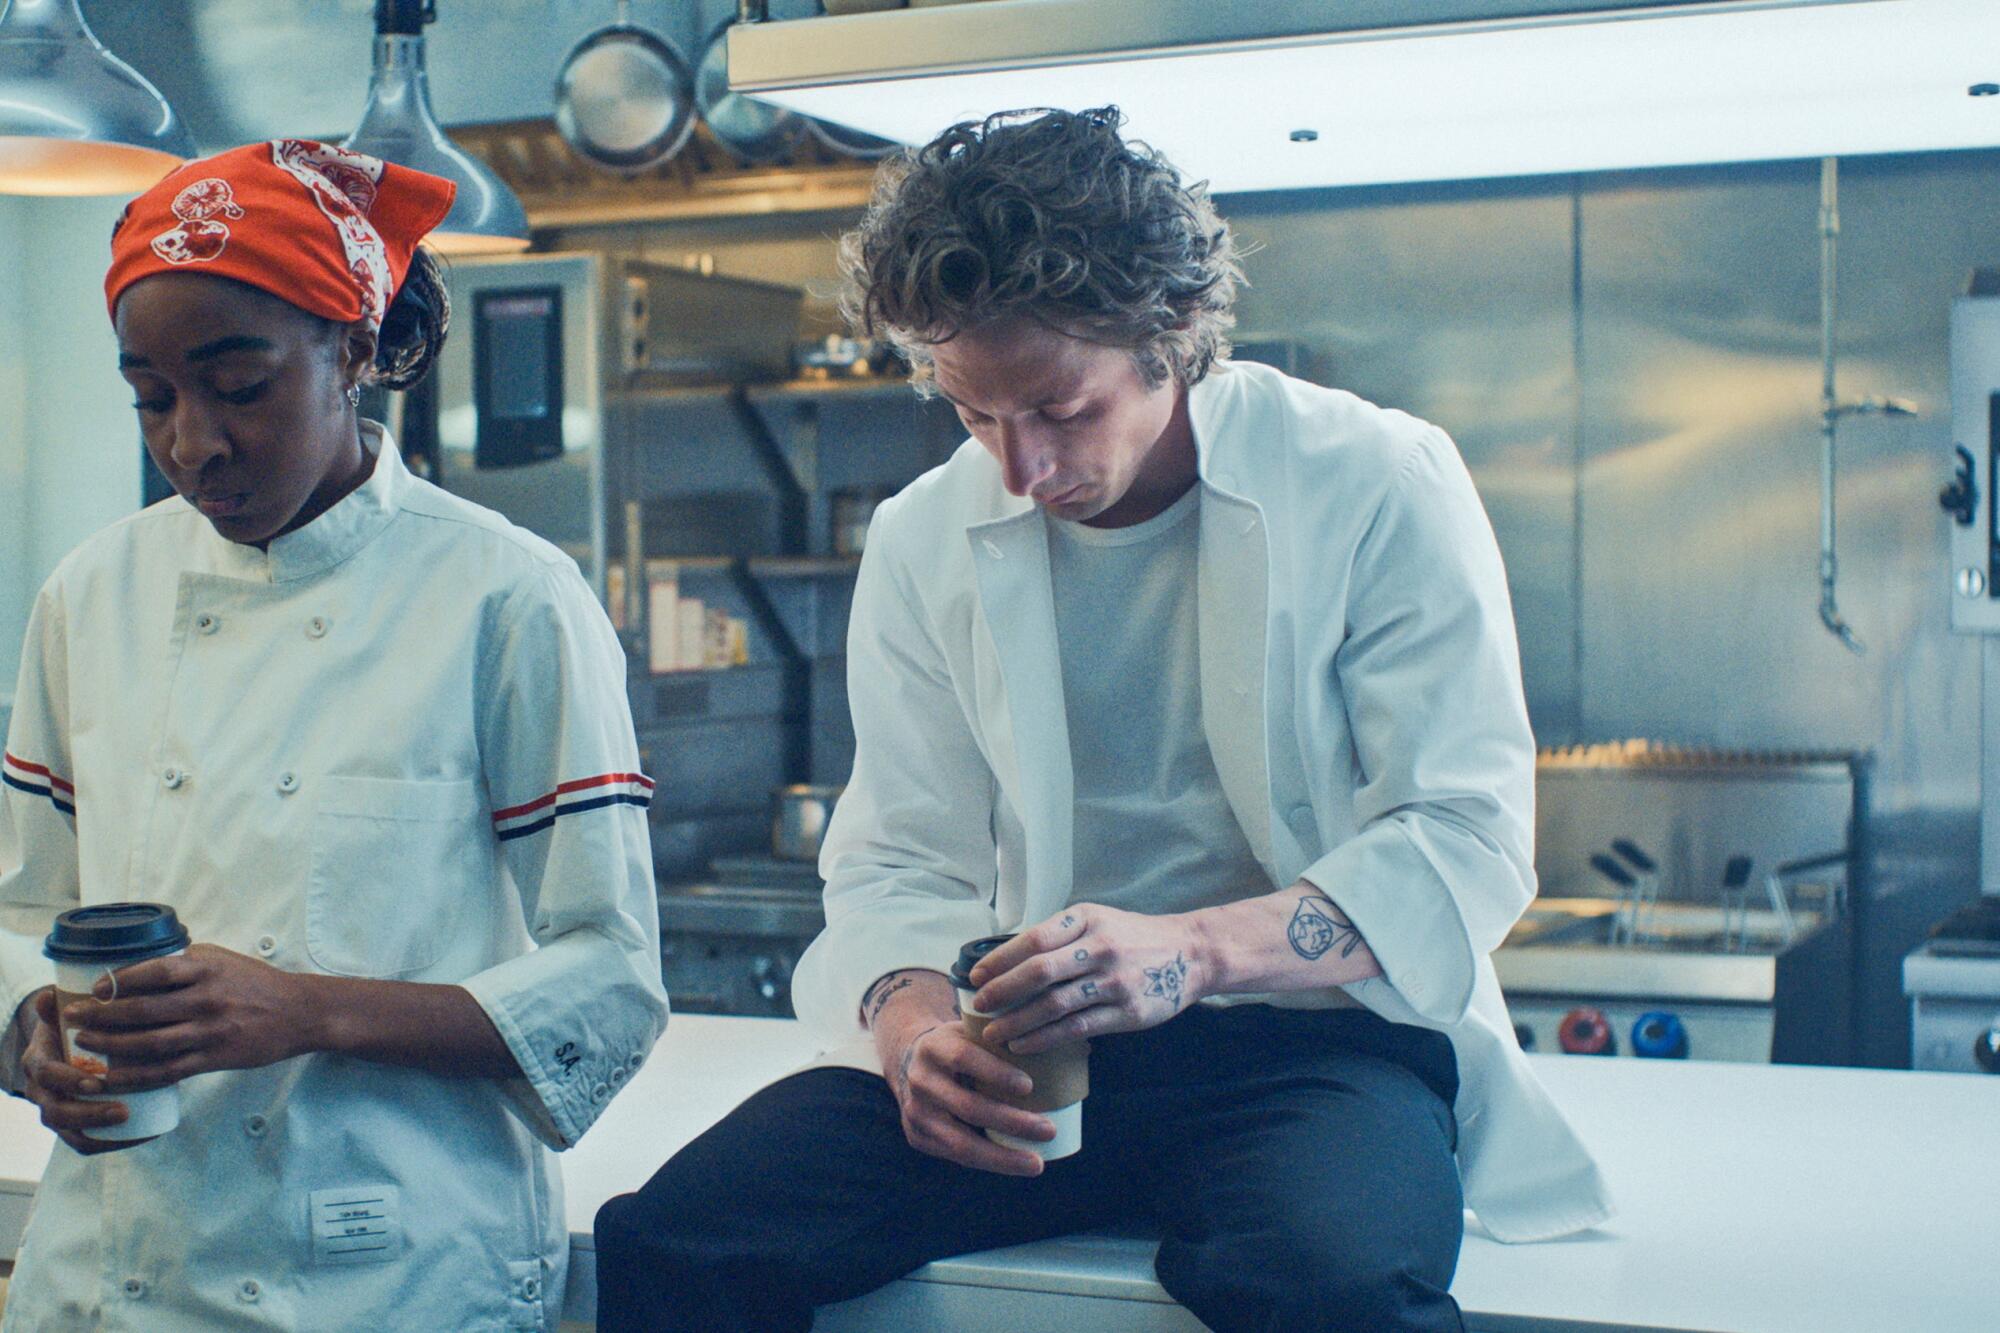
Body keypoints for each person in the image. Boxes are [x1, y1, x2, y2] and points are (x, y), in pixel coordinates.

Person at [594, 106, 1611, 1332]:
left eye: (1059, 409)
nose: (1019, 468)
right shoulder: (926, 535)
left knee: (1330, 1286)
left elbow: (1463, 842)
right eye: (973, 414)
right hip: (1027, 1055)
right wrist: (914, 1028)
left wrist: (1187, 952)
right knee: (671, 1243)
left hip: (1313, 1047)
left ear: (1169, 338)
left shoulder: (1373, 482)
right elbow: (901, 858)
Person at [0, 140, 668, 1330]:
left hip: (384, 1273)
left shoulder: (506, 597)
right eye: (150, 397)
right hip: (113, 1269)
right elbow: (20, 911)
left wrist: (304, 1010)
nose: (190, 442)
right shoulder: (88, 594)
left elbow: (609, 983)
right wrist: (27, 1036)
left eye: (238, 385)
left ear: (354, 349)